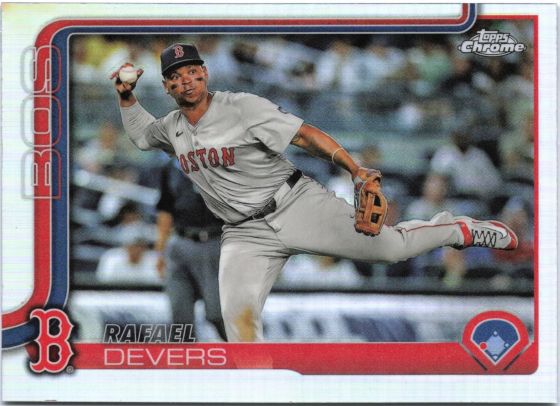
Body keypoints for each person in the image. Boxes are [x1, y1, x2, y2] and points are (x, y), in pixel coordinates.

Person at [112, 43, 518, 342]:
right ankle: (261, 391)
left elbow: (303, 136)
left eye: (192, 70)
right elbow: (142, 135)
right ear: (167, 86)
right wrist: (127, 96)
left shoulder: (241, 106)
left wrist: (354, 168)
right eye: (176, 75)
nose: (186, 79)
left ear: (205, 73)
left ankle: (456, 229)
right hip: (242, 232)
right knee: (237, 323)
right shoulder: (172, 128)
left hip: (293, 205)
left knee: (391, 248)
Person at [155, 159, 227, 341]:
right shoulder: (171, 167)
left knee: (218, 314)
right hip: (179, 242)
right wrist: (161, 252)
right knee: (180, 317)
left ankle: (246, 353)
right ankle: (184, 358)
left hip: (214, 241)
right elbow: (165, 210)